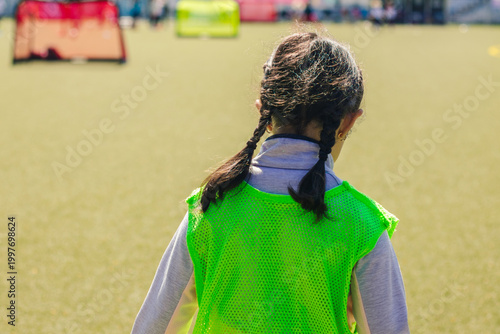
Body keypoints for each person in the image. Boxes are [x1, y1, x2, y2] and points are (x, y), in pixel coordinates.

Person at [131, 32, 409, 334]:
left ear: (262, 108)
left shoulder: (210, 206)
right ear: (349, 121)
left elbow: (155, 326)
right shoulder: (362, 225)